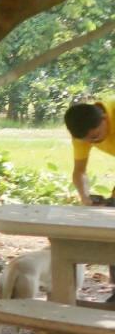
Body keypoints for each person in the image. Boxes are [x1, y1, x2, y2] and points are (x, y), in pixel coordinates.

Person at [63, 99, 115, 300]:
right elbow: (79, 171)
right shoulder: (83, 133)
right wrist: (86, 197)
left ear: (104, 120)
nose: (91, 143)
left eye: (95, 137)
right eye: (86, 141)